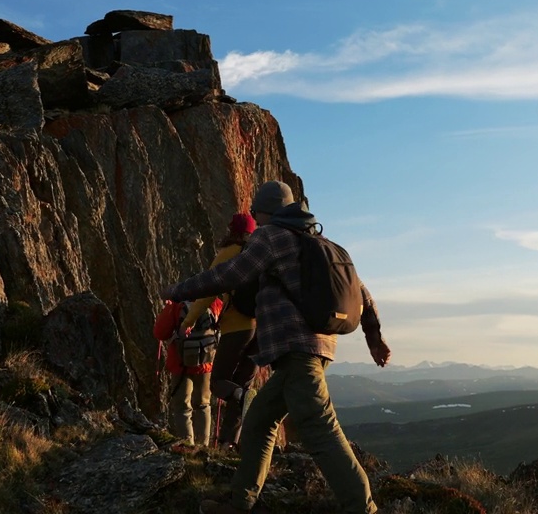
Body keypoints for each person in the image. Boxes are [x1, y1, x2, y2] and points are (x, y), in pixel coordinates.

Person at [161, 180, 391, 514]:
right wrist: (374, 338)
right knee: (259, 422)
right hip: (316, 349)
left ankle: (363, 508)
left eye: (256, 213)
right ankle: (239, 503)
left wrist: (179, 290)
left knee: (320, 429)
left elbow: (229, 274)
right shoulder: (318, 242)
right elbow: (362, 292)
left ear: (266, 211)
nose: (255, 220)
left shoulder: (271, 237)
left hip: (297, 353)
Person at [199, 212, 260, 449]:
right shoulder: (261, 256)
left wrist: (187, 323)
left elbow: (206, 291)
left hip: (237, 329)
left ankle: (245, 400)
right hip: (261, 330)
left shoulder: (227, 255)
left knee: (219, 383)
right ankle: (228, 444)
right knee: (241, 388)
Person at [153, 290, 224, 447]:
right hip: (207, 363)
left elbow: (160, 333)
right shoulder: (214, 303)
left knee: (183, 406)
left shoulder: (177, 307)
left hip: (181, 365)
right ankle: (203, 447)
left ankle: (187, 446)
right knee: (204, 404)